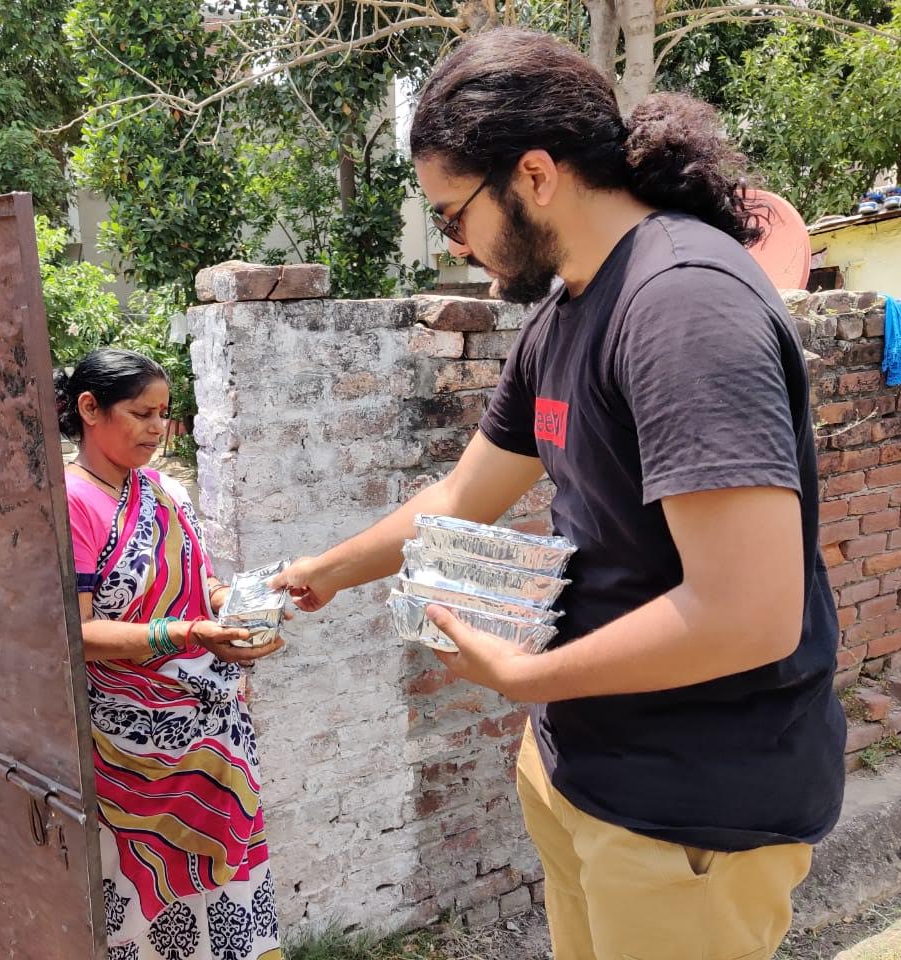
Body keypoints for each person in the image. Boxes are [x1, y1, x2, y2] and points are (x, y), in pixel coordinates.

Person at [272, 29, 845, 960]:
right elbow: (466, 490)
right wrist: (327, 574)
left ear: (534, 174)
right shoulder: (572, 309)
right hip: (584, 768)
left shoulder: (682, 306)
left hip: (691, 807)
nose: (455, 243)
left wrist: (523, 675)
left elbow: (750, 613)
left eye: (454, 215)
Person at [56, 348, 282, 960]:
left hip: (210, 735)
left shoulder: (162, 490)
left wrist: (242, 607)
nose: (158, 429)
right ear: (89, 409)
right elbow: (76, 634)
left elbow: (198, 585)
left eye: (165, 414)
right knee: (146, 889)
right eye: (141, 413)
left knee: (225, 881)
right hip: (132, 755)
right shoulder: (69, 502)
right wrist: (185, 637)